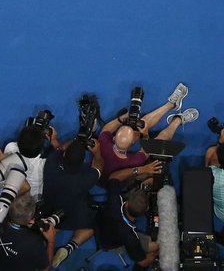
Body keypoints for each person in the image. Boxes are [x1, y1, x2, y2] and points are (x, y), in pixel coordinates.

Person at [98, 83, 196, 185]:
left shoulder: (104, 142)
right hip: (119, 183)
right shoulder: (135, 161)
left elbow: (107, 128)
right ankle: (177, 120)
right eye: (134, 135)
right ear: (133, 143)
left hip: (102, 173)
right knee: (158, 141)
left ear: (114, 138)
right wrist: (145, 134)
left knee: (141, 124)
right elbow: (149, 148)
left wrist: (124, 117)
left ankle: (171, 104)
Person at [45, 137, 103, 267]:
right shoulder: (87, 178)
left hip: (49, 210)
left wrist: (75, 140)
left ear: (65, 155)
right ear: (83, 161)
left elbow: (59, 149)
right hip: (73, 214)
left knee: (50, 224)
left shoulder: (51, 163)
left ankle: (50, 232)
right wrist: (97, 153)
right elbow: (99, 167)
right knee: (91, 228)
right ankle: (69, 247)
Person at [95, 180, 159, 268]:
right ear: (146, 210)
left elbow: (113, 179)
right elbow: (142, 263)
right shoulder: (130, 237)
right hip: (109, 244)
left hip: (99, 225)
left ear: (127, 203)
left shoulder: (115, 199)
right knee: (156, 245)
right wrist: (158, 252)